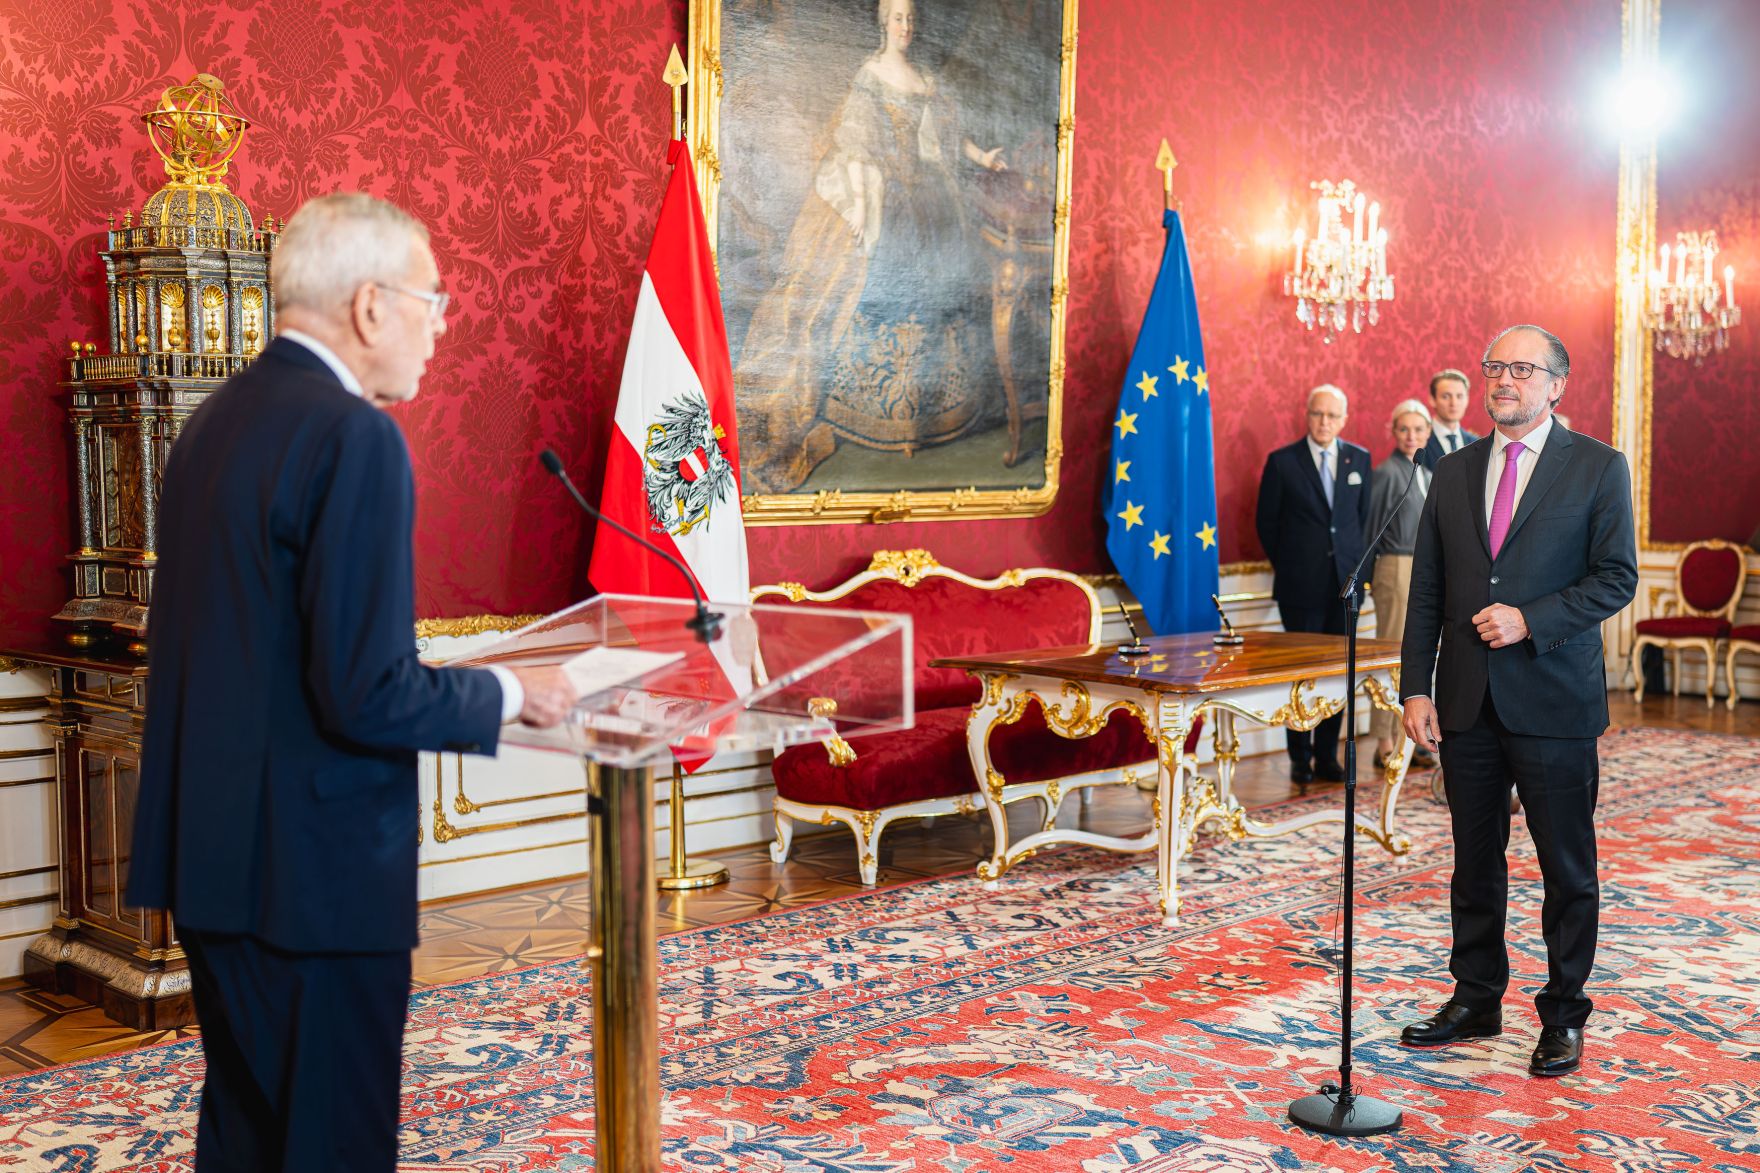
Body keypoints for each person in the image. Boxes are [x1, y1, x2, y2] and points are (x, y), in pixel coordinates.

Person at [126, 193, 577, 1172]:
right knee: (333, 1144)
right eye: (432, 300)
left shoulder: (213, 423)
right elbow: (364, 695)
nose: (441, 324)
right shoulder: (354, 437)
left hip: (213, 862)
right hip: (314, 880)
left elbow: (279, 657)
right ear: (371, 306)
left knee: (248, 1135)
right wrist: (513, 694)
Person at [1398, 324, 1637, 1078]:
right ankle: (1476, 997)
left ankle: (1563, 1015)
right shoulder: (1454, 468)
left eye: (1523, 369)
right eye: (1495, 366)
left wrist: (1531, 620)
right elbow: (1428, 589)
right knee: (1474, 864)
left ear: (1557, 384)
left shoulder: (1598, 467)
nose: (1506, 379)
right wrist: (1415, 685)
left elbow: (1617, 578)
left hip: (1556, 701)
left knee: (1567, 867)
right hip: (1467, 703)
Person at [736, 0, 1010, 491]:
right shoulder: (870, 73)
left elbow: (949, 135)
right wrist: (862, 207)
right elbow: (857, 142)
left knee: (942, 290)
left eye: (911, 19)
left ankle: (930, 413)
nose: (906, 27)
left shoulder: (924, 79)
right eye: (898, 19)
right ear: (884, 23)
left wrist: (983, 156)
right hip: (885, 191)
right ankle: (866, 407)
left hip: (930, 195)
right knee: (858, 282)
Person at [1254, 384, 1373, 783]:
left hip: (1345, 587)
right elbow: (1266, 525)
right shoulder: (1282, 462)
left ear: (1344, 419)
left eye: (1332, 416)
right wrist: (1293, 565)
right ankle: (1300, 758)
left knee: (1338, 673)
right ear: (1307, 416)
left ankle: (1327, 756)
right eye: (1317, 414)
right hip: (1299, 588)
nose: (1324, 422)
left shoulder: (1360, 459)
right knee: (1303, 674)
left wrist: (1361, 575)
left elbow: (1363, 521)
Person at [1367, 399, 1435, 770]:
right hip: (1394, 569)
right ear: (1394, 432)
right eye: (1404, 429)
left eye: (1418, 429)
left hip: (1425, 570)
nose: (1411, 436)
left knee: (1419, 657)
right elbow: (1372, 529)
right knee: (1392, 657)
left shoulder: (1426, 470)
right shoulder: (1387, 473)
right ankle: (1385, 739)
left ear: (1428, 432)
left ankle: (1415, 738)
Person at [1418, 367, 1481, 469]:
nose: (1454, 403)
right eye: (1446, 396)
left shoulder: (1476, 443)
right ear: (1432, 399)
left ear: (1467, 400)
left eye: (1459, 396)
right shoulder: (1418, 441)